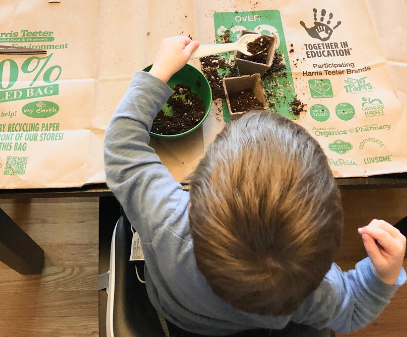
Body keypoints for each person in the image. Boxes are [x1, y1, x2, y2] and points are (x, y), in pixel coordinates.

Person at [103, 35, 406, 337]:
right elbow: (353, 309)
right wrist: (382, 276)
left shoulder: (166, 220)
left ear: (192, 202)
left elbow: (121, 148)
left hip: (175, 316)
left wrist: (159, 72)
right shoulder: (312, 289)